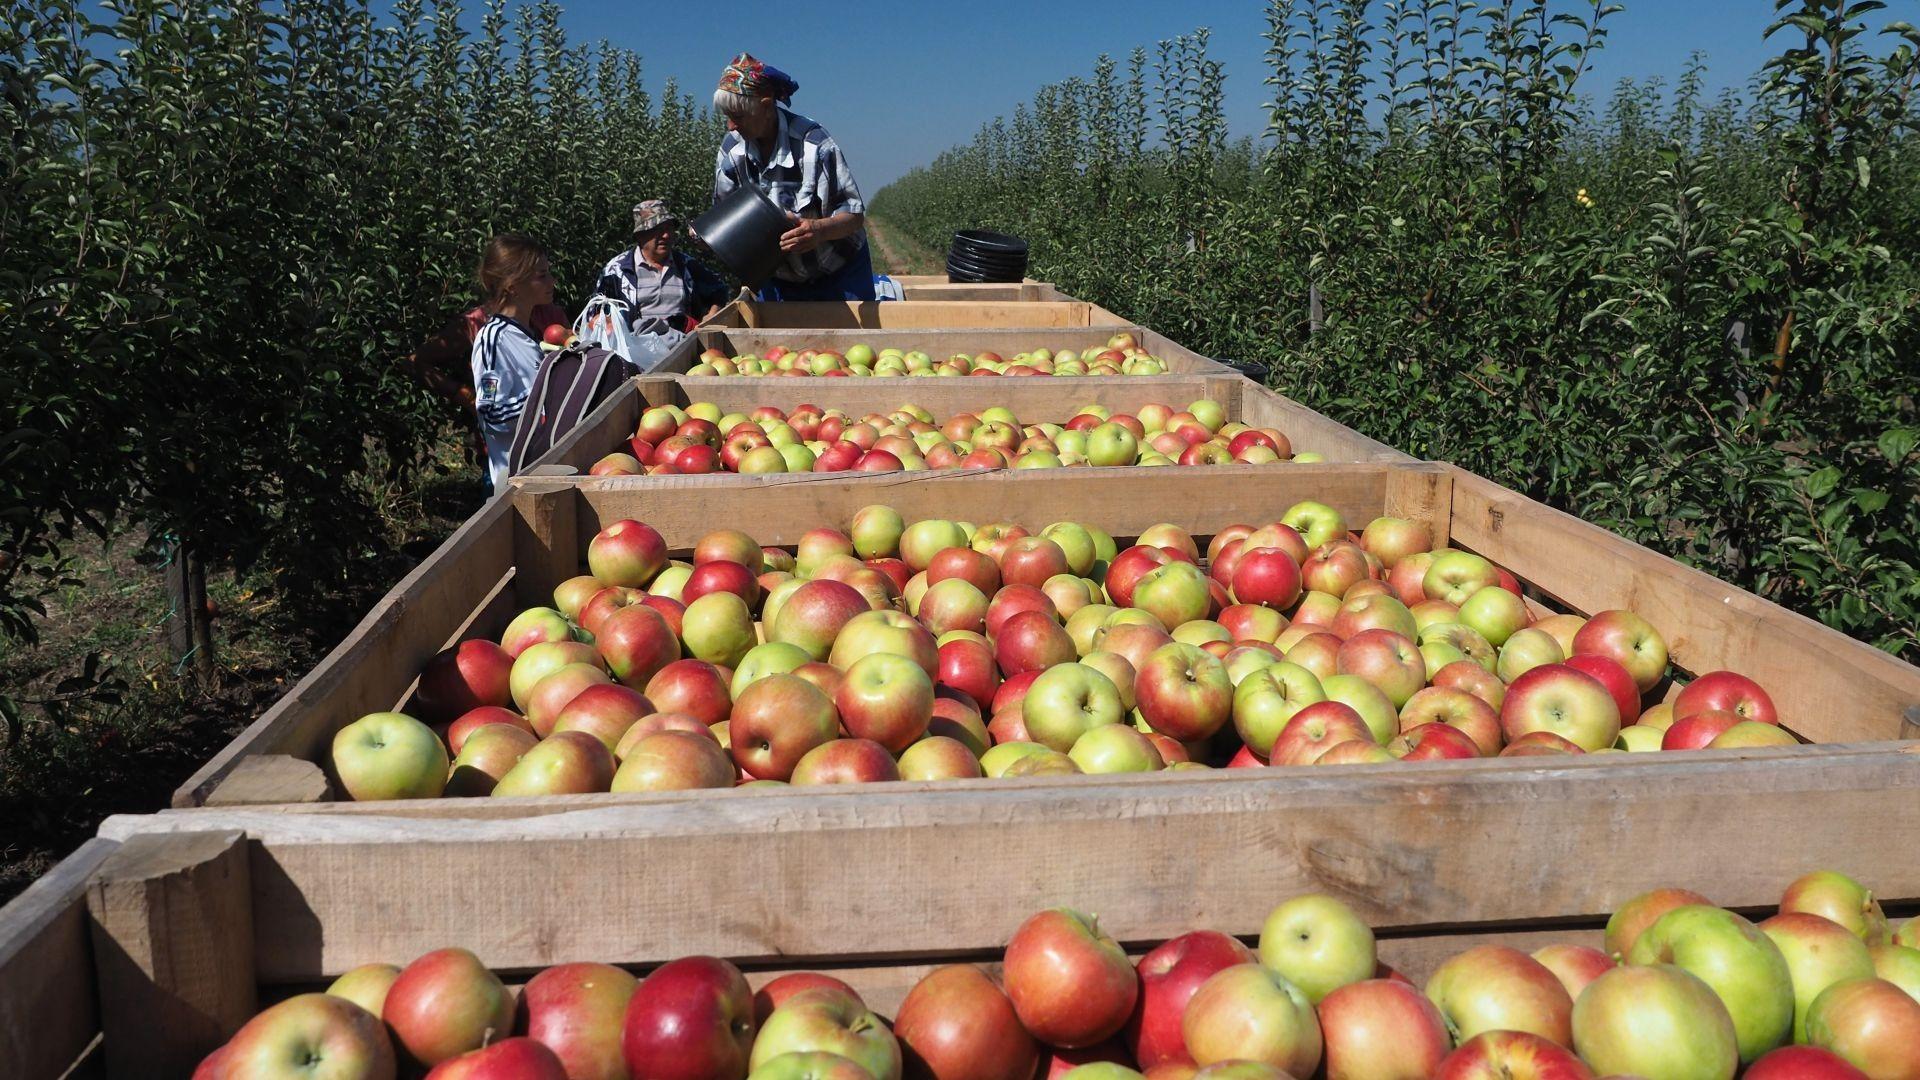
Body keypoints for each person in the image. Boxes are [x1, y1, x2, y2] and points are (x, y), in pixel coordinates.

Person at [712, 53, 875, 301]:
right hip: (778, 279)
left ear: (766, 106)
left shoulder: (815, 145)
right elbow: (723, 216)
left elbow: (853, 215)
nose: (731, 126)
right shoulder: (731, 151)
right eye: (727, 116)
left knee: (845, 340)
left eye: (738, 116)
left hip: (838, 272)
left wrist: (818, 230)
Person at [468, 234, 556, 491]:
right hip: (516, 484)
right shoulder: (493, 340)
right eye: (541, 275)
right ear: (513, 285)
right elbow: (491, 411)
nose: (552, 281)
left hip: (540, 476)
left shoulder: (525, 333)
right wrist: (547, 409)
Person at [591, 199, 730, 332]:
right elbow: (594, 312)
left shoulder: (686, 265)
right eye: (657, 229)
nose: (665, 235)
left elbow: (719, 291)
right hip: (636, 348)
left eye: (669, 229)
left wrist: (711, 316)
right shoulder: (617, 270)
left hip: (683, 346)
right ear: (640, 235)